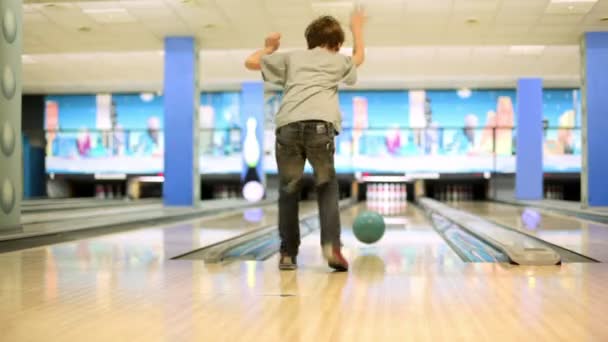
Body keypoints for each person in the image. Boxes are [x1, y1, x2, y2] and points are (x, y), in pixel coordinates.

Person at [244, 9, 366, 271]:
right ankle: (332, 246)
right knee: (326, 186)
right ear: (337, 44)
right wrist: (357, 28)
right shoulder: (338, 60)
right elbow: (359, 58)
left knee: (288, 190)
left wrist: (268, 47)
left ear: (310, 41)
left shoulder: (292, 58)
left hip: (287, 126)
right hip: (320, 128)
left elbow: (251, 62)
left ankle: (287, 253)